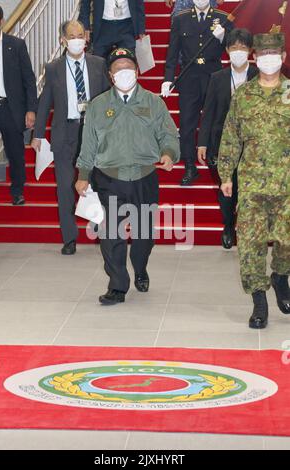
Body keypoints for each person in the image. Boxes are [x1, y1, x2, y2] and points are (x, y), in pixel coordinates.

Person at [75, 48, 180, 305]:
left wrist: (168, 153)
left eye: (128, 67)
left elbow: (169, 134)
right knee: (111, 235)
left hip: (144, 178)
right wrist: (83, 174)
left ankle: (140, 267)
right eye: (118, 68)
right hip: (109, 179)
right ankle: (118, 286)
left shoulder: (153, 103)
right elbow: (88, 145)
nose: (124, 72)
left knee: (144, 236)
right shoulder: (98, 106)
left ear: (137, 72)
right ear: (110, 75)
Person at [218, 33, 290, 329]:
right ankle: (259, 301)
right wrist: (225, 174)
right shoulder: (244, 95)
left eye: (274, 52)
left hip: (287, 185)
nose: (268, 58)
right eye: (263, 53)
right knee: (250, 245)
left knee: (287, 242)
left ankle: (281, 275)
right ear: (255, 58)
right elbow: (231, 135)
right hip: (252, 186)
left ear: (283, 57)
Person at [31, 20, 110, 256]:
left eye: (80, 35)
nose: (77, 39)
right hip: (64, 134)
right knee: (65, 187)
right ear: (63, 40)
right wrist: (37, 135)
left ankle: (100, 227)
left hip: (93, 133)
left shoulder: (98, 64)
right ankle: (69, 238)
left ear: (86, 38)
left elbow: (108, 99)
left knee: (96, 182)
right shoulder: (53, 67)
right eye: (71, 36)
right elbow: (45, 103)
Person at [161, 0, 234, 186]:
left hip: (214, 76)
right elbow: (173, 51)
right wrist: (168, 78)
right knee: (187, 124)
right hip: (189, 77)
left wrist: (224, 37)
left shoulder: (223, 18)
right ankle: (189, 167)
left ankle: (214, 159)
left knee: (217, 120)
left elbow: (235, 48)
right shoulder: (180, 18)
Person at [198, 28, 258, 249]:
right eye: (234, 48)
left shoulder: (259, 77)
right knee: (227, 188)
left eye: (243, 48)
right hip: (221, 143)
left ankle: (247, 227)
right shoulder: (218, 77)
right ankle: (228, 225)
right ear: (227, 51)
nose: (238, 52)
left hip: (252, 145)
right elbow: (208, 111)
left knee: (248, 189)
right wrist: (202, 142)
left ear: (250, 51)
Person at [0, 2, 37, 206]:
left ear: (1, 21)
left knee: (16, 153)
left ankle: (17, 191)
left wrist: (31, 109)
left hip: (10, 108)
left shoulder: (16, 45)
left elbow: (29, 79)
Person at [78, 0, 146, 58]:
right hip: (103, 27)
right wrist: (85, 26)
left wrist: (141, 29)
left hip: (127, 26)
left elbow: (139, 3)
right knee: (99, 61)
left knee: (127, 62)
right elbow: (85, 3)